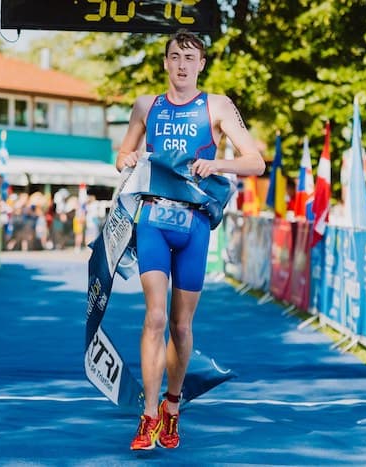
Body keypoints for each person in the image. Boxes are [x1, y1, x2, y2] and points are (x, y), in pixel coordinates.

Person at [115, 29, 265, 450]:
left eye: (190, 57)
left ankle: (172, 405)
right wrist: (127, 158)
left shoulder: (216, 106)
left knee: (181, 326)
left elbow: (255, 162)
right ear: (165, 62)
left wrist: (215, 164)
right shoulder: (147, 106)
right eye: (175, 56)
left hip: (194, 225)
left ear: (201, 65)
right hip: (153, 220)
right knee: (156, 318)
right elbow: (121, 156)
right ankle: (147, 415)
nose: (182, 64)